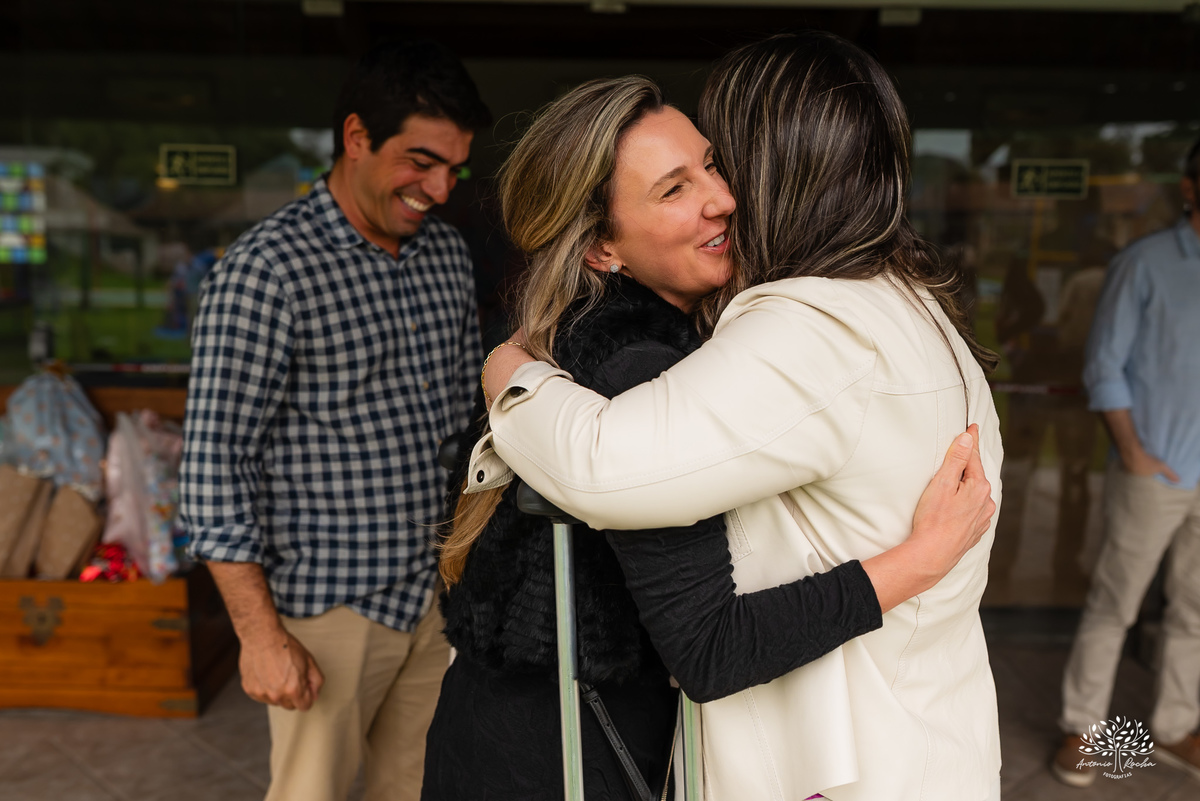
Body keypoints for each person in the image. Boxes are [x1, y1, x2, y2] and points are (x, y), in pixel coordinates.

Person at [422, 76, 994, 801]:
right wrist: (917, 562)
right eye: (673, 189)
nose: (721, 198)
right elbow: (712, 646)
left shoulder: (651, 338)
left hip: (514, 729)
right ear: (603, 247)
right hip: (561, 755)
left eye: (713, 165)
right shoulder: (635, 364)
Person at [179, 41, 491, 801]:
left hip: (435, 600)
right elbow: (214, 462)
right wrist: (259, 636)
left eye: (454, 169)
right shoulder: (266, 271)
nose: (440, 189)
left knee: (424, 789)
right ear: (357, 137)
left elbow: (462, 432)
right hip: (328, 609)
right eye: (421, 161)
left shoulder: (446, 256)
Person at [1051, 138, 1200, 787]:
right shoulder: (1144, 263)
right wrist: (1136, 454)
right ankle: (1084, 729)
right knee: (1118, 603)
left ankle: (1171, 729)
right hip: (1156, 473)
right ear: (1190, 188)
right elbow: (1103, 366)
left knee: (1195, 611)